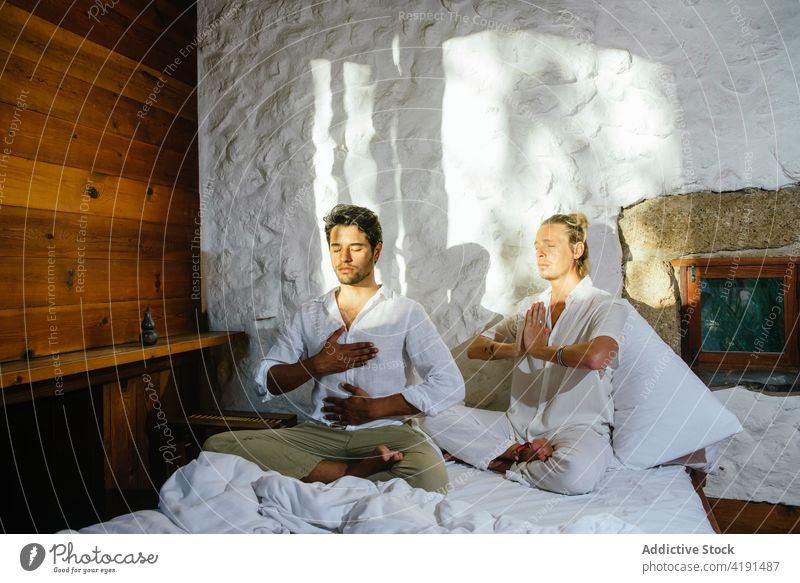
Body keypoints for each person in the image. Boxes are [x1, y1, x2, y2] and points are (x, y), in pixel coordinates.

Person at [204, 204, 464, 492]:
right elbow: (267, 380)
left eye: (356, 247)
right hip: (320, 434)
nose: (345, 258)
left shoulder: (406, 312)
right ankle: (346, 473)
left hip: (385, 433)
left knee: (429, 475)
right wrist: (316, 365)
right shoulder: (310, 313)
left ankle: (322, 476)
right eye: (336, 247)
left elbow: (450, 384)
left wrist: (375, 408)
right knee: (218, 445)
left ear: (376, 252)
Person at [421, 213, 626, 495]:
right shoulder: (531, 307)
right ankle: (514, 453)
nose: (540, 253)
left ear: (577, 250)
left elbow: (596, 357)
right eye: (537, 246)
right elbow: (476, 348)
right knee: (431, 416)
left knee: (576, 474)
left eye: (550, 245)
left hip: (576, 428)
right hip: (515, 426)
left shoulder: (605, 305)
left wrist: (539, 350)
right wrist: (515, 348)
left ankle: (500, 460)